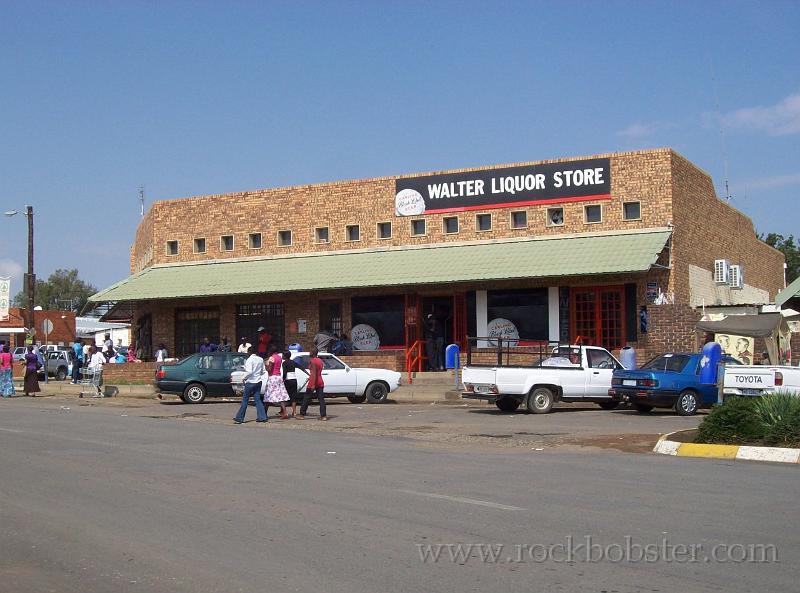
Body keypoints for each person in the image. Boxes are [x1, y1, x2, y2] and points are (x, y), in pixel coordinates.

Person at [234, 345, 267, 424]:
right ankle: (262, 417)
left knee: (245, 400)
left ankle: (239, 418)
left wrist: (244, 378)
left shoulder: (249, 360)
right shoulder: (260, 359)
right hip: (258, 381)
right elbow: (263, 371)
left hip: (250, 382)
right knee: (258, 400)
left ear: (249, 352)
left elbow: (249, 372)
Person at [297, 347, 327, 421]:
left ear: (313, 353)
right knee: (321, 399)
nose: (309, 353)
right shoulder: (320, 360)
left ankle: (302, 414)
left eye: (310, 351)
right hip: (320, 381)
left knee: (306, 398)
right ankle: (323, 416)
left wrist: (313, 384)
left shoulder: (313, 361)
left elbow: (313, 374)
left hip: (313, 382)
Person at [262, 345, 290, 419]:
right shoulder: (279, 357)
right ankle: (285, 412)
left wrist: (265, 365)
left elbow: (269, 369)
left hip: (272, 378)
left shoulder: (272, 358)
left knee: (268, 395)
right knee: (280, 395)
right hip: (278, 377)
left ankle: (264, 413)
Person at [282, 348, 307, 418]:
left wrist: (282, 380)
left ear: (285, 356)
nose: (282, 356)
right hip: (294, 380)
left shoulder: (284, 363)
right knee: (293, 396)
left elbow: (285, 373)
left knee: (284, 396)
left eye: (282, 355)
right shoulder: (293, 362)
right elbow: (301, 367)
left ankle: (284, 411)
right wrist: (308, 374)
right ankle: (294, 412)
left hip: (287, 380)